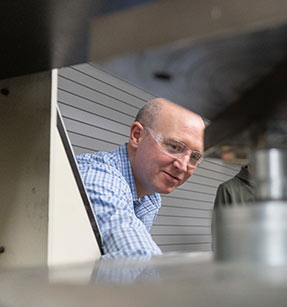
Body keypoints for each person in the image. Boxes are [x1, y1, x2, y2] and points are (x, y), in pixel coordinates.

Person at [76, 98, 205, 258]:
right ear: (137, 136)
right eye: (174, 147)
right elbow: (137, 257)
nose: (183, 166)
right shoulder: (99, 177)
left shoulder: (150, 195)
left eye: (194, 156)